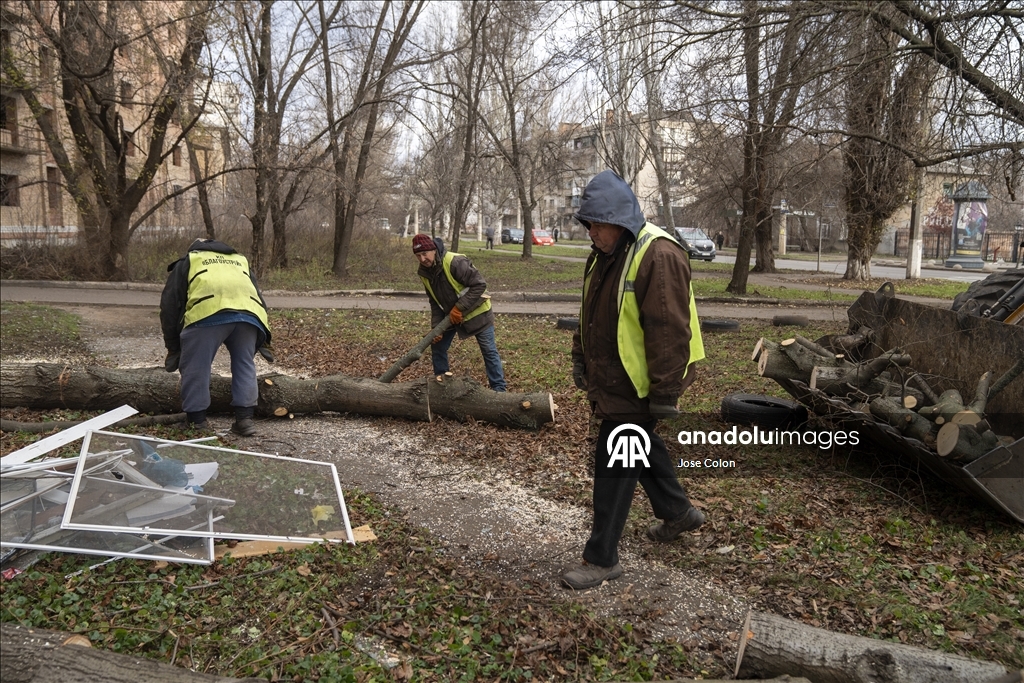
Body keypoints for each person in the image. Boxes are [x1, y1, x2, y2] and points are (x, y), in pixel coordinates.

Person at [564, 170, 706, 590]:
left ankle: (602, 558)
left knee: (617, 460)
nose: (591, 232)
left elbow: (669, 329)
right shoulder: (604, 253)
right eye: (587, 224)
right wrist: (581, 358)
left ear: (619, 219)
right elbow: (590, 312)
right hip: (618, 374)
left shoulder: (658, 254)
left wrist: (664, 394)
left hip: (650, 377)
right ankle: (679, 513)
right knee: (640, 447)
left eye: (597, 224)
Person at [161, 238, 272, 436]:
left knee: (196, 367)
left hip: (207, 314)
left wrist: (173, 346)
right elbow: (258, 297)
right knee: (244, 364)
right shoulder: (240, 261)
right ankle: (245, 421)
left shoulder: (190, 260)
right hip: (249, 317)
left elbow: (170, 304)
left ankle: (197, 422)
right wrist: (265, 338)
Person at [413, 233, 507, 392]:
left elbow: (479, 285)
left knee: (489, 351)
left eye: (424, 254)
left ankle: (499, 390)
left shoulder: (455, 262)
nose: (422, 259)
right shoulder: (424, 273)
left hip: (478, 313)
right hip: (451, 317)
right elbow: (435, 303)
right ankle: (442, 387)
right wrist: (436, 328)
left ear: (433, 250)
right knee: (438, 346)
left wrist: (459, 307)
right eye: (418, 256)